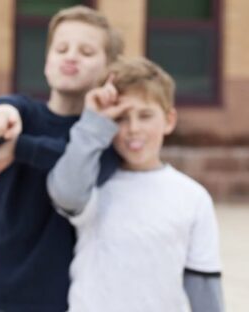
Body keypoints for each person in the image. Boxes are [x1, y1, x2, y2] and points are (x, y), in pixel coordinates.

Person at [0, 6, 123, 311]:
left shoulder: (101, 140)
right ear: (47, 62)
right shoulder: (23, 111)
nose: (71, 56)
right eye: (61, 48)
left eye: (87, 51)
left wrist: (17, 148)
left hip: (44, 301)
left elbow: (76, 161)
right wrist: (0, 118)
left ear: (109, 71)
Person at [48, 57, 224, 311]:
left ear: (169, 120)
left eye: (145, 115)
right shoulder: (93, 182)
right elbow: (65, 193)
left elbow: (204, 286)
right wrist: (93, 122)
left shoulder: (193, 197)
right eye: (120, 118)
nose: (133, 128)